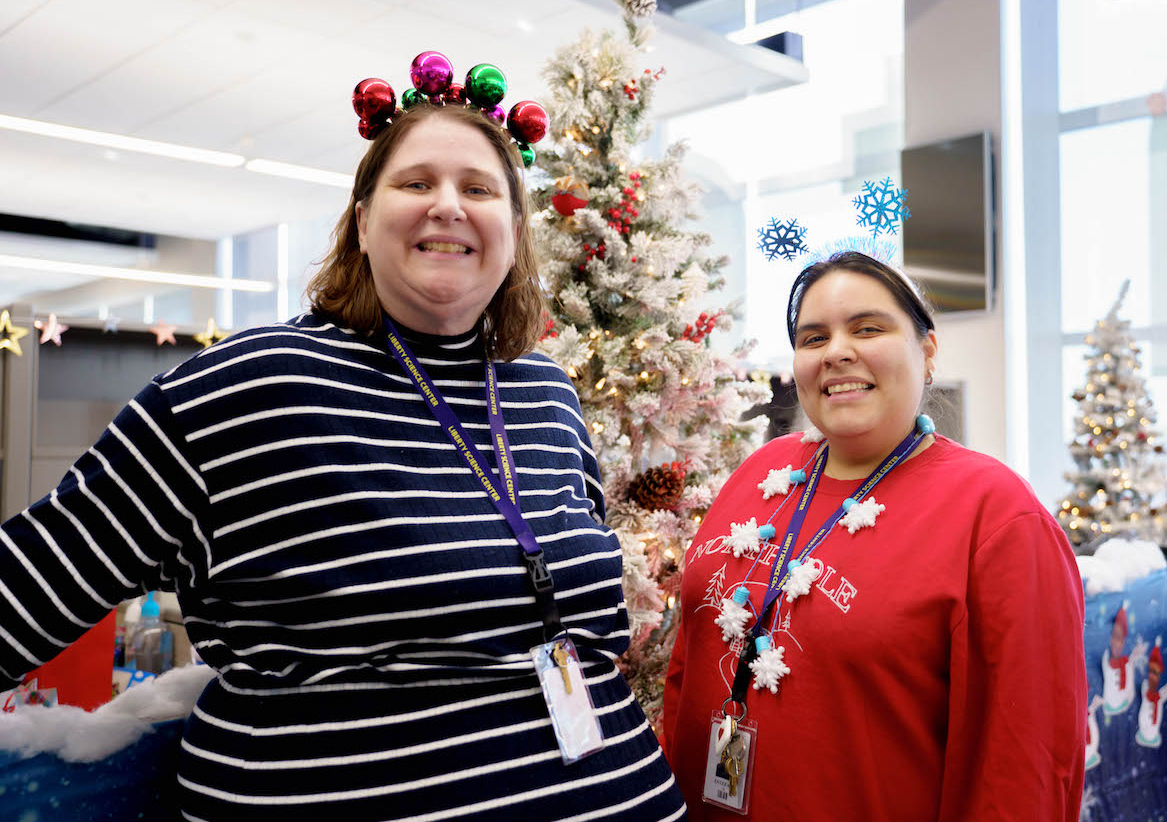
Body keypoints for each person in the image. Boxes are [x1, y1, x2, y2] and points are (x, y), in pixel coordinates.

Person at [0, 65, 687, 820]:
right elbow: (26, 586)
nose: (449, 206)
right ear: (362, 222)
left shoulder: (545, 394)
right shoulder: (248, 386)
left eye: (481, 189)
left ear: (516, 233)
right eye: (417, 182)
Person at [662, 251, 1085, 820]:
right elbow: (689, 663)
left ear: (926, 351)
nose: (836, 352)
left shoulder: (999, 517)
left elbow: (1025, 763)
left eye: (867, 328)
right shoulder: (759, 474)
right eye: (813, 338)